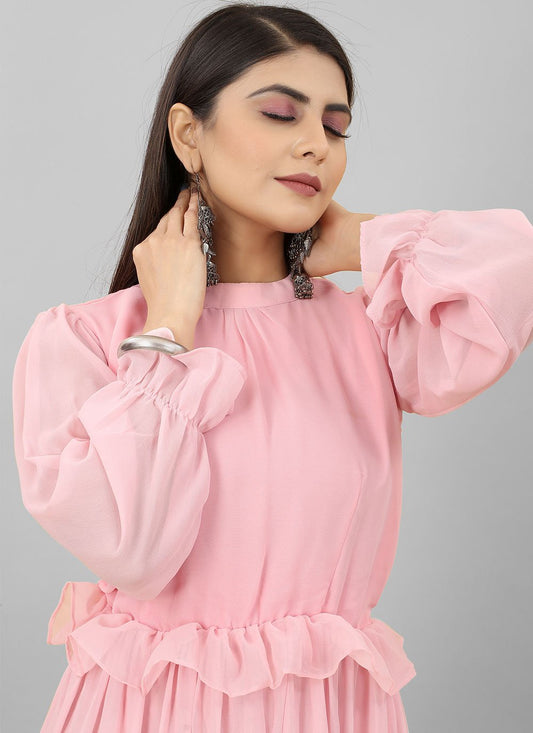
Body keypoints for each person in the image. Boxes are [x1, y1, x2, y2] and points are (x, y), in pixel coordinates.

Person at [11, 3, 533, 732]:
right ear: (188, 135)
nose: (316, 144)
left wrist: (366, 239)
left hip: (328, 712)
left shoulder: (368, 331)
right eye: (281, 114)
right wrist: (169, 329)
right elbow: (134, 551)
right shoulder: (86, 341)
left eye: (335, 126)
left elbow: (512, 273)